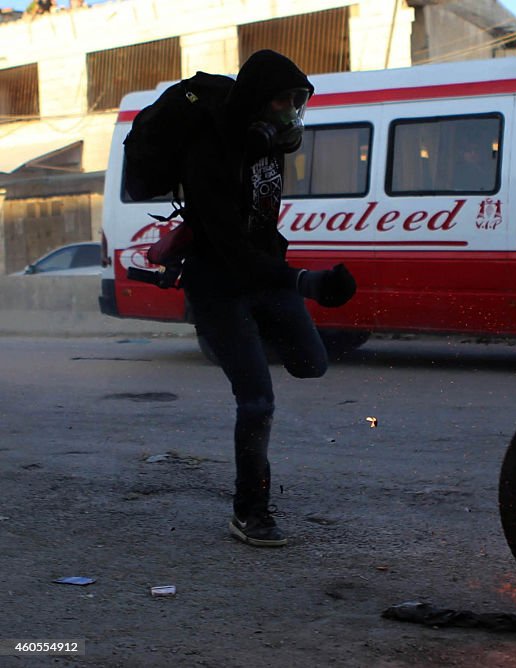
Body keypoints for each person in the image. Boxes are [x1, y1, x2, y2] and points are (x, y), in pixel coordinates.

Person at [179, 49, 356, 547]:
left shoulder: (271, 147)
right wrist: (304, 283)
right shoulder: (209, 154)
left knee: (313, 364)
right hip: (218, 286)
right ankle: (250, 513)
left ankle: (243, 344)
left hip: (261, 278)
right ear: (257, 101)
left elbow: (261, 226)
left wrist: (286, 277)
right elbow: (229, 248)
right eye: (283, 99)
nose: (291, 112)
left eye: (299, 101)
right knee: (257, 402)